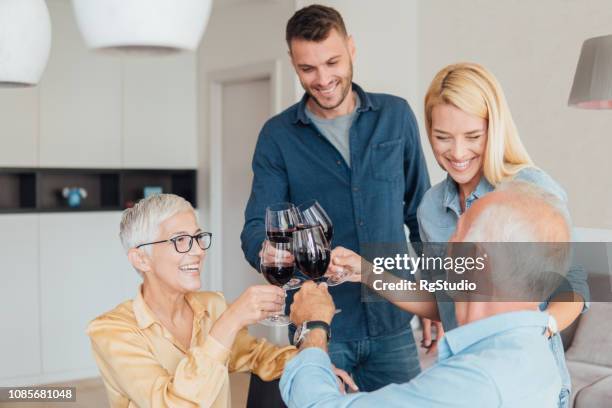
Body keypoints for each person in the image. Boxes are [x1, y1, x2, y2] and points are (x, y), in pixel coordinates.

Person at [328, 62, 588, 406]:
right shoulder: (432, 207)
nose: (458, 152)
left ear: (493, 128)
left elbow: (574, 288)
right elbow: (444, 303)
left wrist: (539, 330)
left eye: (472, 137)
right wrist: (365, 272)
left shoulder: (531, 189)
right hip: (462, 380)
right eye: (442, 138)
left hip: (522, 384)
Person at [240, 4, 430, 391]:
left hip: (393, 317)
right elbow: (256, 227)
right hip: (323, 325)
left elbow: (420, 215)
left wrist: (433, 295)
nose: (323, 79)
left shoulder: (396, 116)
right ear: (293, 63)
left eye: (333, 62)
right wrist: (270, 253)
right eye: (307, 69)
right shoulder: (277, 136)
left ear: (352, 49)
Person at [281, 181, 572, 407]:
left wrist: (313, 328)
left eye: (456, 236)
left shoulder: (476, 382)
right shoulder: (533, 352)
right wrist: (368, 272)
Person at [86, 194, 298, 407]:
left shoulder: (211, 305)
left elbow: (257, 355)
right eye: (180, 240)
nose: (198, 251)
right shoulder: (111, 331)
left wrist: (314, 363)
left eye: (197, 238)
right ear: (141, 259)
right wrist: (230, 321)